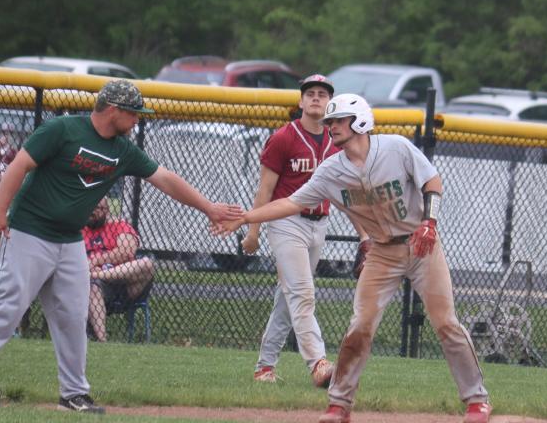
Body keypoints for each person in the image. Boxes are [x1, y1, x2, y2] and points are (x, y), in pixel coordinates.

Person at [0, 79, 243, 412]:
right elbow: (19, 165)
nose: (138, 119)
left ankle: (74, 393)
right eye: (133, 113)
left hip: (69, 239)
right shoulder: (63, 130)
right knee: (7, 303)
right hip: (28, 231)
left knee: (73, 316)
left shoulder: (122, 150)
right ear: (113, 109)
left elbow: (165, 179)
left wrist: (208, 207)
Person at [215, 94, 492, 423]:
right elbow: (291, 202)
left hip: (421, 247)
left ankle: (477, 401)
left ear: (359, 120)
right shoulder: (331, 170)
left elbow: (432, 180)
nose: (330, 126)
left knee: (446, 323)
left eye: (338, 120)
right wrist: (248, 218)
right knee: (360, 326)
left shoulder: (395, 148)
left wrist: (430, 222)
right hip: (382, 253)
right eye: (329, 122)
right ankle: (339, 405)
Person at [241, 74, 362, 388]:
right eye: (310, 93)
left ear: (330, 102)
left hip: (318, 225)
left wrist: (365, 233)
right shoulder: (284, 137)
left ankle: (264, 366)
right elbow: (265, 189)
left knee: (288, 296)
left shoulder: (336, 143)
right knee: (302, 293)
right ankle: (318, 364)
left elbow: (346, 194)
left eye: (323, 93)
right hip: (285, 224)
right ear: (300, 101)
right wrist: (253, 231)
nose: (316, 98)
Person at [83, 197, 154, 343]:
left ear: (106, 211)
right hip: (90, 286)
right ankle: (102, 341)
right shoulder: (79, 229)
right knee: (93, 286)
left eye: (96, 208)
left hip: (122, 284)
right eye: (89, 207)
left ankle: (98, 274)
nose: (91, 212)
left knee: (147, 264)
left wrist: (96, 261)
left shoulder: (119, 226)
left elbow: (126, 251)